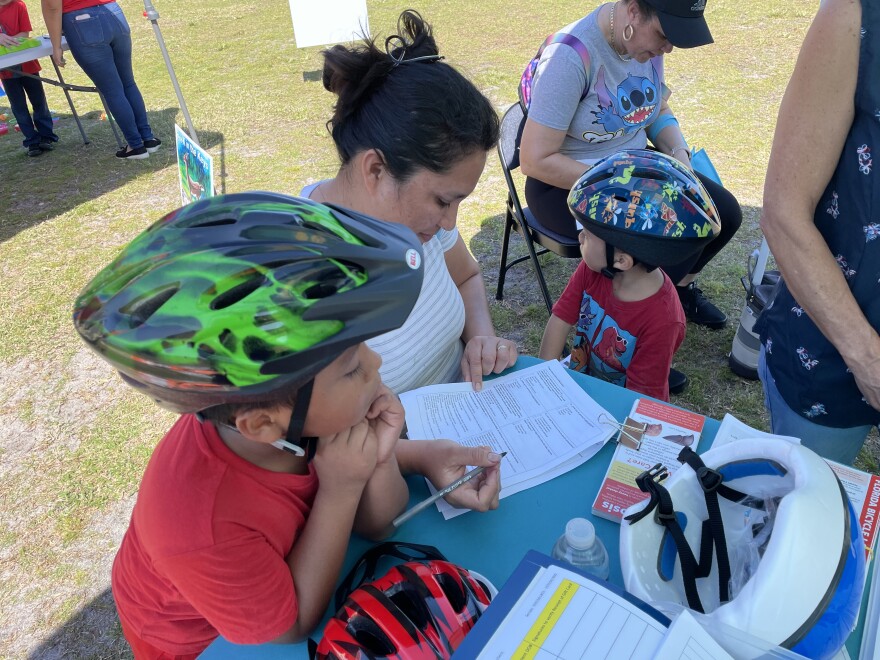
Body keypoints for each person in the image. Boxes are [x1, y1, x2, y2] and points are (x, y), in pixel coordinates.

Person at [73, 193, 502, 656]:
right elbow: (292, 624)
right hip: (203, 642)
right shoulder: (200, 525)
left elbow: (380, 523)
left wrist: (418, 456)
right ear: (261, 424)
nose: (375, 362)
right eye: (352, 366)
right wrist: (340, 490)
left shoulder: (297, 422)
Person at [303, 10, 518, 394]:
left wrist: (481, 336)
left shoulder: (416, 224)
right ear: (375, 171)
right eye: (442, 200)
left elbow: (466, 276)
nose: (449, 222)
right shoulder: (307, 275)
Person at [519, 0, 742, 331]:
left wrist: (679, 156)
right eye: (665, 35)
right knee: (653, 238)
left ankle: (673, 295)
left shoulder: (645, 46)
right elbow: (534, 161)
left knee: (722, 214)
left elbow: (656, 109)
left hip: (634, 168)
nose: (667, 48)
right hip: (567, 183)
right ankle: (628, 332)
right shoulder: (569, 57)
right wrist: (624, 181)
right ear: (634, 11)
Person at [754, 0, 879, 465]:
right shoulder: (857, 14)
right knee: (806, 516)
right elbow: (784, 211)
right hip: (833, 351)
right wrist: (869, 361)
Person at [539, 150, 720, 401]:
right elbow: (560, 318)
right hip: (585, 382)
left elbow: (642, 400)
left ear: (622, 260)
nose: (579, 237)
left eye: (588, 235)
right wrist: (541, 378)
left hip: (620, 406)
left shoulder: (663, 320)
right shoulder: (593, 270)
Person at [40, 0, 159, 159]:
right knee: (128, 83)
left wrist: (56, 46)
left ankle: (136, 146)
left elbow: (52, 6)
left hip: (82, 21)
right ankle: (148, 139)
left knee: (113, 91)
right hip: (113, 13)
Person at [0, 0, 58, 156]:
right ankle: (32, 141)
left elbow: (25, 34)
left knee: (38, 101)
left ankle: (47, 137)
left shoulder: (19, 5)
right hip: (6, 71)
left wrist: (8, 41)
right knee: (18, 106)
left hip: (27, 65)